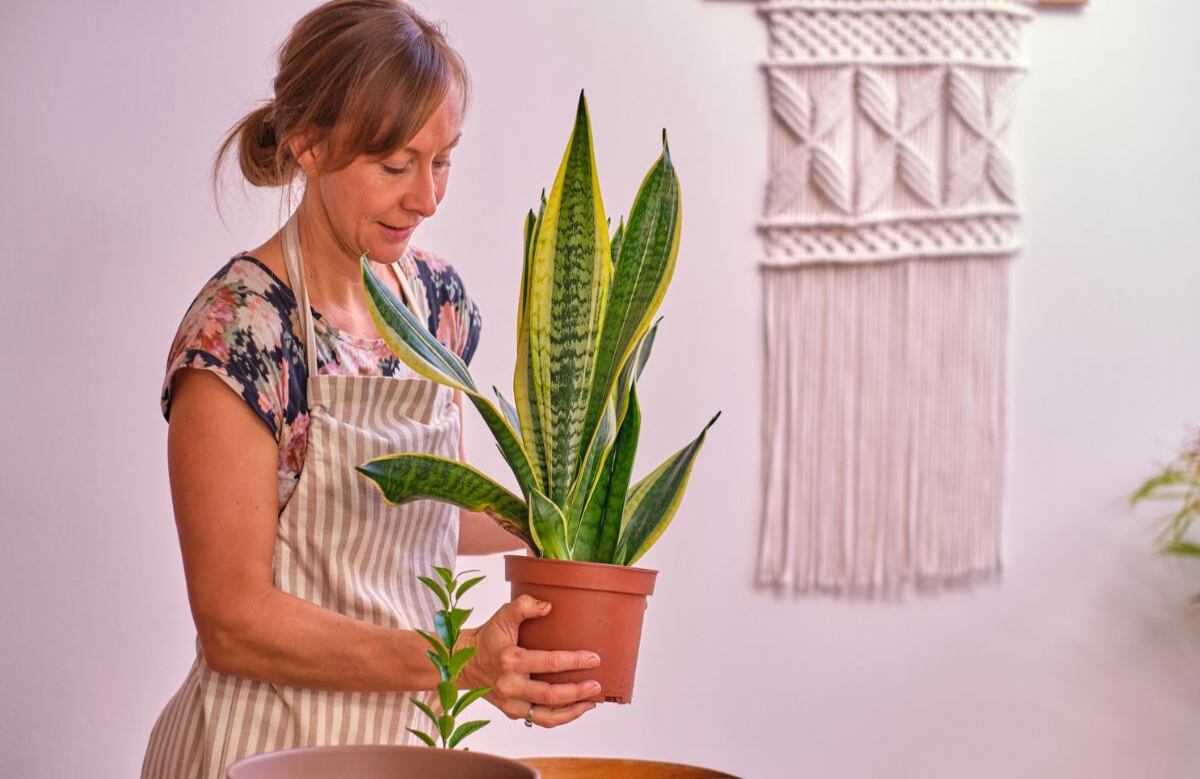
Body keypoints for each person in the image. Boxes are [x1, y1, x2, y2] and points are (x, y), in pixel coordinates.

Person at [141, 2, 600, 776]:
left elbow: (421, 510)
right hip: (260, 749)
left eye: (443, 159)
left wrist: (557, 516)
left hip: (402, 751)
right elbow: (234, 623)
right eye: (395, 166)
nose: (427, 197)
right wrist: (459, 658)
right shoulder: (243, 332)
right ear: (308, 145)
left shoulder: (436, 305)